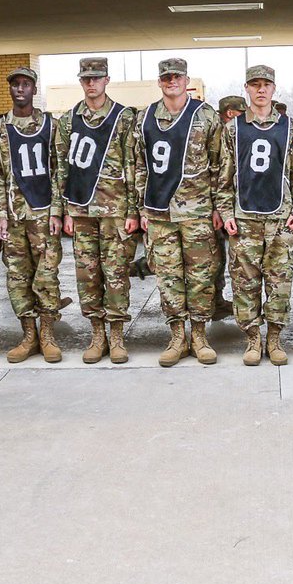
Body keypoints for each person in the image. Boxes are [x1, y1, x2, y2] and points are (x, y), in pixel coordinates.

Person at [132, 58, 223, 366]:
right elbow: (138, 165)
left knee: (200, 277)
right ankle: (177, 338)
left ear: (187, 80)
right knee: (168, 277)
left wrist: (218, 207)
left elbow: (221, 165)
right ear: (160, 82)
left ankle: (199, 336)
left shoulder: (205, 115)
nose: (171, 81)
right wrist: (140, 207)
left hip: (197, 212)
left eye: (177, 76)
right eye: (166, 77)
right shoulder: (145, 118)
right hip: (159, 213)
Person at [53, 57, 139, 364]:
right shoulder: (68, 119)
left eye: (97, 78)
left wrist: (133, 210)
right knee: (87, 276)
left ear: (106, 80)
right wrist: (63, 210)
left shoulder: (124, 117)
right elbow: (61, 167)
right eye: (86, 79)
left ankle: (116, 336)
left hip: (115, 210)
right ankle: (97, 334)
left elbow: (134, 166)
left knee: (115, 274)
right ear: (81, 81)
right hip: (80, 210)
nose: (92, 83)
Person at [217, 65, 293, 365]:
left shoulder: (290, 127)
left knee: (280, 282)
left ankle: (275, 339)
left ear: (274, 89)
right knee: (244, 283)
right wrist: (226, 211)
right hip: (245, 218)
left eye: (266, 84)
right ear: (247, 89)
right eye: (255, 85)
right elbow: (224, 176)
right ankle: (253, 338)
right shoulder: (233, 128)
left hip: (280, 218)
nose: (261, 90)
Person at [0, 66, 64, 363]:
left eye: (25, 84)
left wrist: (57, 211)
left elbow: (59, 170)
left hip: (43, 214)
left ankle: (47, 335)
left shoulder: (49, 125)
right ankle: (28, 335)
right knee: (17, 278)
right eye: (15, 84)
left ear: (34, 89)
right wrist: (1, 215)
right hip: (14, 215)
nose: (20, 89)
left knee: (46, 276)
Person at [211, 95, 247, 320]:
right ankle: (214, 302)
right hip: (211, 206)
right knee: (213, 258)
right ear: (232, 113)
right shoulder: (220, 132)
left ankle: (217, 300)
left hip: (218, 205)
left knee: (218, 256)